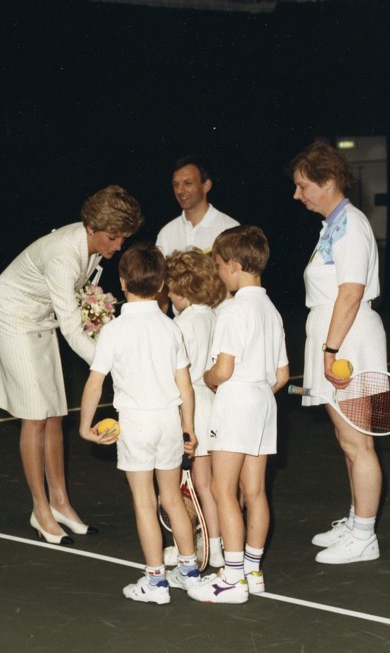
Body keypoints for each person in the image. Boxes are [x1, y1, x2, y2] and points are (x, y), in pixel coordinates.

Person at [0, 186, 143, 545]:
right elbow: (72, 329)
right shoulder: (63, 256)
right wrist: (111, 368)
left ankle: (60, 503)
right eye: (113, 237)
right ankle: (40, 510)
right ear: (91, 227)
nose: (118, 246)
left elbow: (75, 310)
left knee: (55, 413)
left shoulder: (89, 245)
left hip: (42, 318)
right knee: (35, 415)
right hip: (11, 316)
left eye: (123, 238)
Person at [79, 243, 199, 605]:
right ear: (163, 283)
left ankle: (156, 582)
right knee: (172, 499)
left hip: (136, 425)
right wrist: (188, 429)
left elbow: (95, 382)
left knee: (145, 502)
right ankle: (189, 570)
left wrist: (85, 427)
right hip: (167, 423)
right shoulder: (171, 328)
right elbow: (185, 387)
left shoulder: (114, 331)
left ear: (121, 281)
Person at [289, 141, 386, 564]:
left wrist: (330, 350)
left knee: (358, 442)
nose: (297, 195)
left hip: (348, 339)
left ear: (327, 181)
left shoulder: (352, 225)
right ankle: (355, 520)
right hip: (334, 335)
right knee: (347, 440)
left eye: (303, 185)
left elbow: (351, 292)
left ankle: (365, 536)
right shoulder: (334, 224)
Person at [190, 226, 289, 604]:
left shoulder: (233, 311)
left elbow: (224, 369)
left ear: (233, 265)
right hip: (265, 403)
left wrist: (207, 377)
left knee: (222, 490)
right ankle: (252, 570)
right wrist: (256, 391)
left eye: (218, 266)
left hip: (236, 403)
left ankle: (232, 578)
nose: (217, 274)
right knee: (256, 491)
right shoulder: (272, 310)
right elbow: (281, 375)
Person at [164, 248, 228, 569]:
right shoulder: (212, 316)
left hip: (193, 408)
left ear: (183, 288)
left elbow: (178, 376)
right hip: (213, 405)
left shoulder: (183, 324)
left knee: (191, 486)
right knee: (210, 486)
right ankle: (214, 547)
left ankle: (190, 547)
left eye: (172, 287)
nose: (169, 293)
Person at [156, 154, 239, 258]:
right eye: (175, 184)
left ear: (206, 186)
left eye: (188, 183)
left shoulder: (230, 229)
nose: (180, 190)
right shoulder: (166, 234)